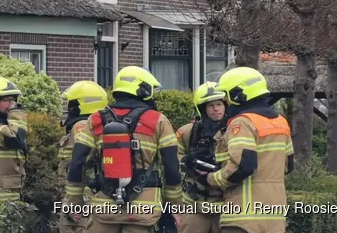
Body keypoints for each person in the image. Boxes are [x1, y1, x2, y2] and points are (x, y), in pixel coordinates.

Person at [65, 66, 181, 233]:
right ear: (144, 89)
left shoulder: (96, 119)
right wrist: (175, 206)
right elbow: (171, 167)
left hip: (105, 209)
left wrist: (74, 202)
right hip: (143, 210)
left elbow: (77, 163)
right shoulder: (158, 120)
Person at [201, 67, 294, 233]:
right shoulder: (280, 122)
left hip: (243, 217)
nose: (226, 102)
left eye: (227, 96)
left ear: (238, 95)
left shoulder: (242, 122)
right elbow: (288, 166)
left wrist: (211, 178)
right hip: (275, 216)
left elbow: (243, 166)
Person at [176, 81, 228, 233]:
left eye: (219, 104)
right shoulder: (188, 132)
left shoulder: (235, 131)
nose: (216, 109)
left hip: (226, 207)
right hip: (195, 205)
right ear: (202, 109)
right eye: (210, 105)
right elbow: (173, 158)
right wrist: (187, 162)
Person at [57, 80, 109, 233]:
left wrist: (76, 201)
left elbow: (82, 159)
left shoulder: (81, 126)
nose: (68, 107)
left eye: (71, 102)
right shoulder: (96, 124)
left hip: (82, 194)